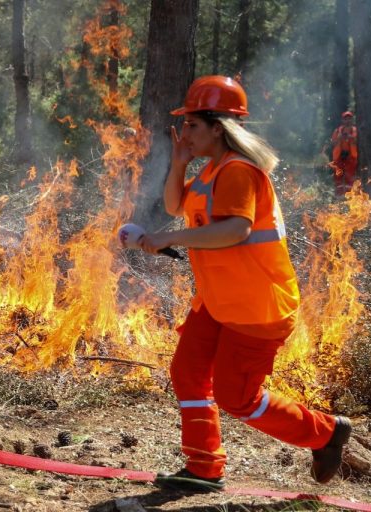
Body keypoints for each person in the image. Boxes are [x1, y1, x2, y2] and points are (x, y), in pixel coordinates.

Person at [128, 76, 351, 492]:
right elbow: (177, 205)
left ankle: (325, 433)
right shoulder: (213, 169)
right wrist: (179, 163)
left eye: (193, 125)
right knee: (188, 371)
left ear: (219, 128)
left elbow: (234, 230)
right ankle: (204, 468)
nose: (187, 132)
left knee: (238, 398)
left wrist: (170, 237)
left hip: (255, 306)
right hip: (218, 299)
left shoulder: (237, 172)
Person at [330, 111, 358, 196]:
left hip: (351, 157)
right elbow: (333, 143)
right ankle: (339, 197)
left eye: (349, 118)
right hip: (339, 157)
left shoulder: (355, 130)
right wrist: (340, 138)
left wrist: (350, 137)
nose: (348, 120)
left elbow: (358, 142)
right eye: (346, 119)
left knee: (350, 178)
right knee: (338, 177)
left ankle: (350, 197)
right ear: (343, 120)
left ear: (352, 120)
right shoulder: (338, 131)